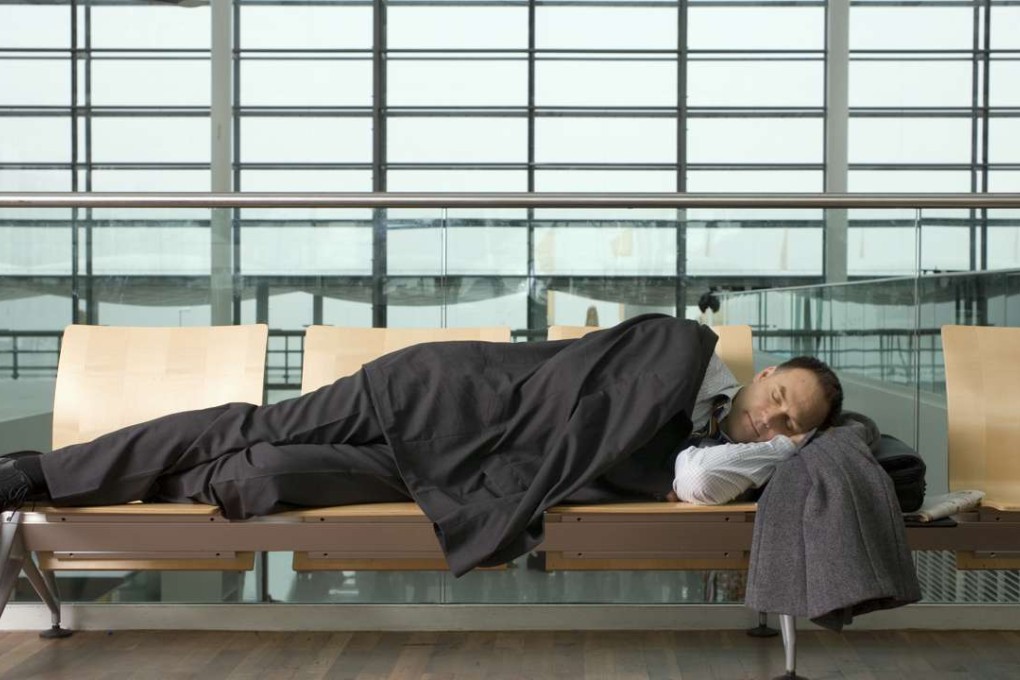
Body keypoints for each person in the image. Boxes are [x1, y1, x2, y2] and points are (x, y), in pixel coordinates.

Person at [0, 314, 842, 575]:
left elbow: (696, 481)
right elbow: (588, 417)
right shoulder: (683, 347)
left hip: (450, 471)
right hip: (434, 394)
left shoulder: (706, 452)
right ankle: (36, 473)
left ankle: (175, 479)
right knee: (249, 425)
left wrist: (795, 449)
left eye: (789, 426)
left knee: (266, 468)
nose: (769, 421)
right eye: (776, 399)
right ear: (763, 373)